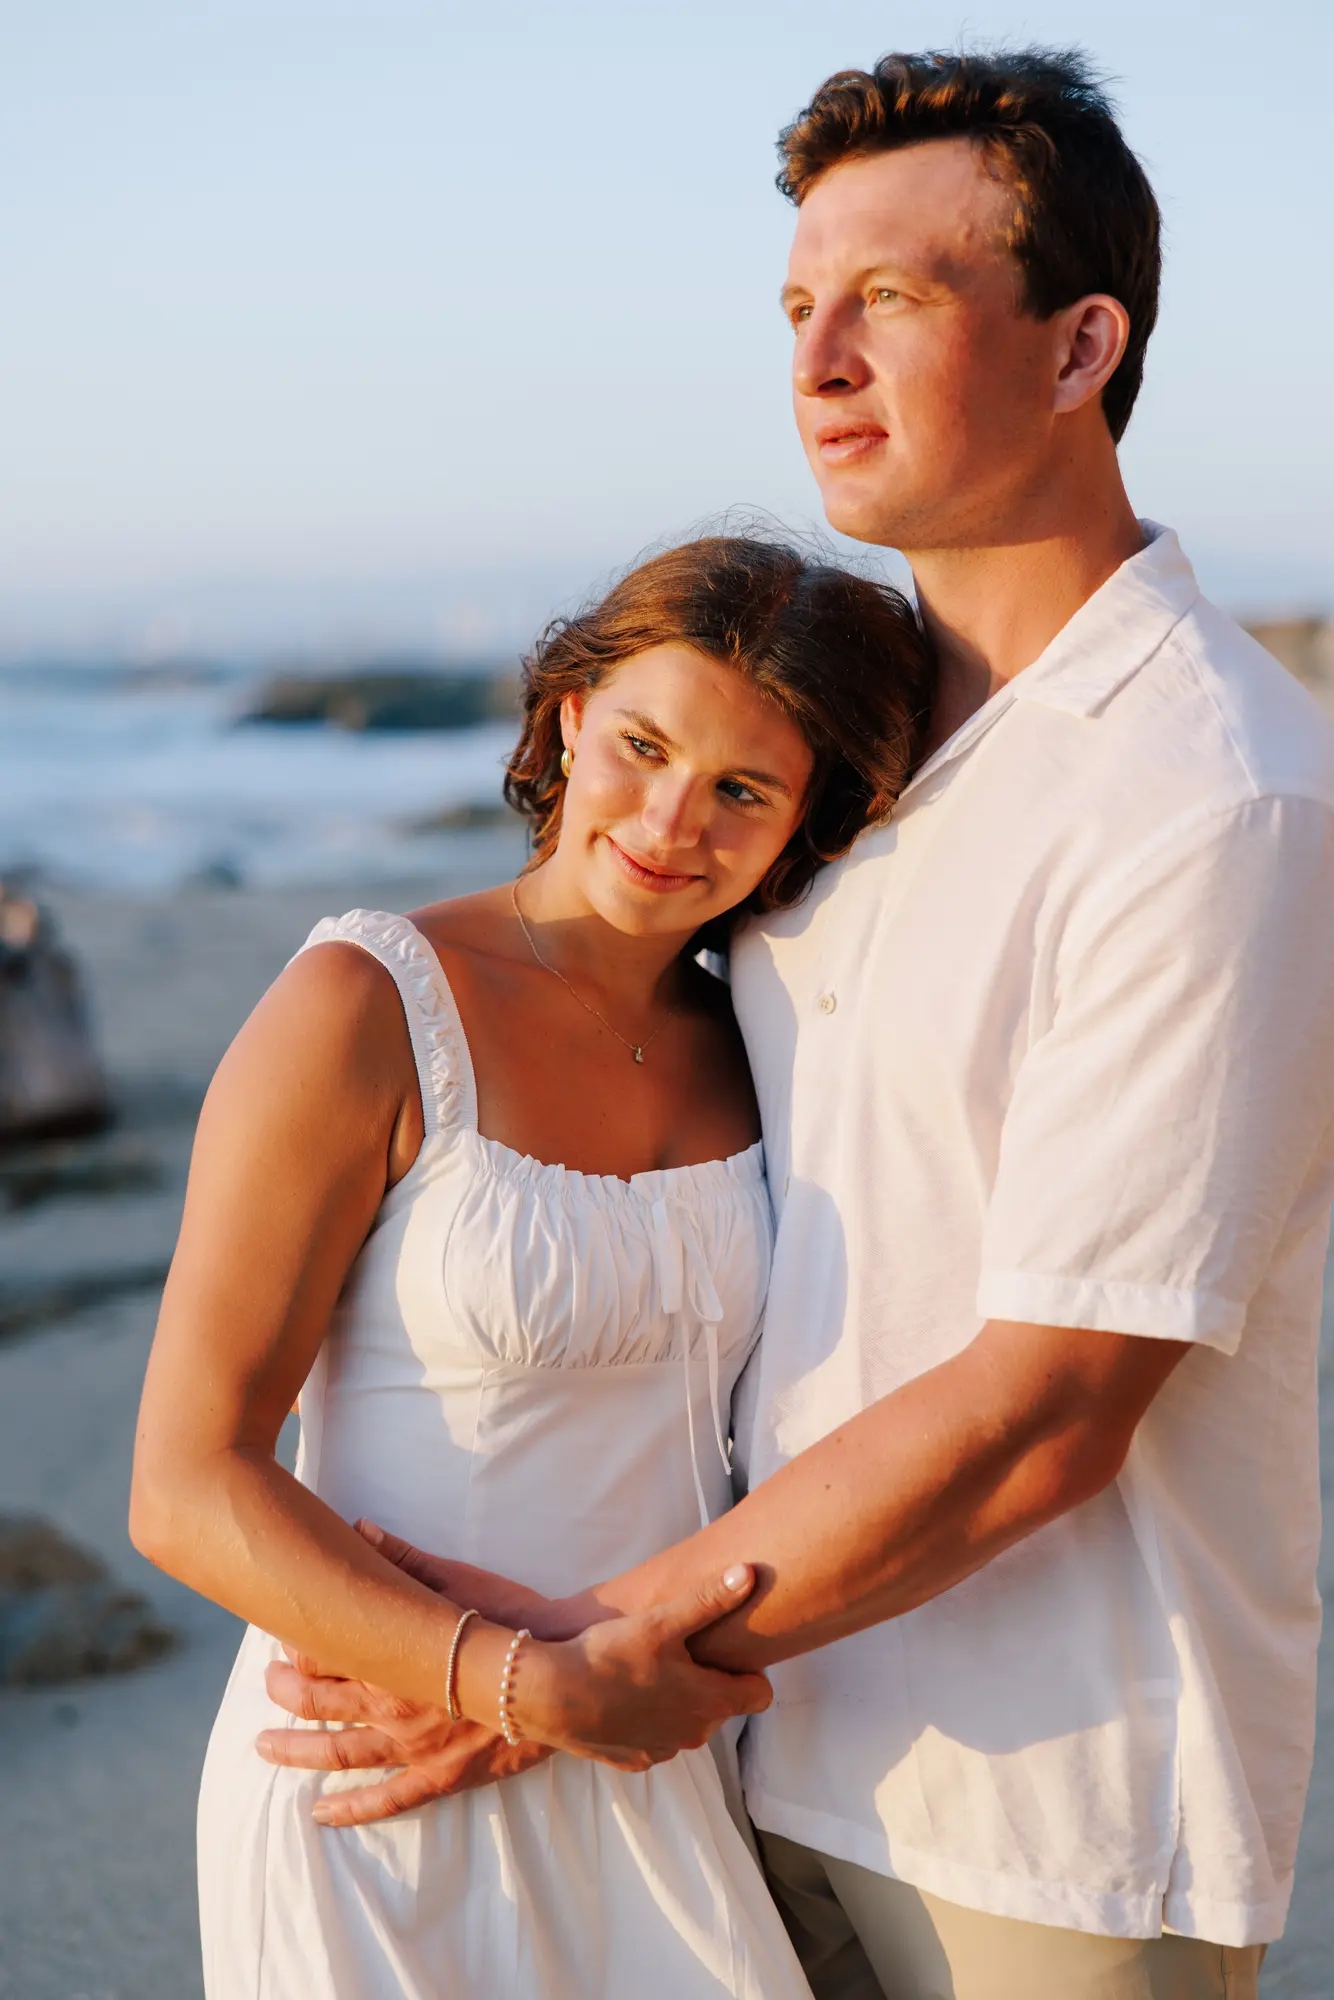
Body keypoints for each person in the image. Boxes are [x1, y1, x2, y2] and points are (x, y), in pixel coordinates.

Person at [257, 46, 1334, 2000]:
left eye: (894, 301)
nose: (817, 360)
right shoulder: (834, 761)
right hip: (749, 1766)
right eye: (796, 309)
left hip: (1045, 1814)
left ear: (1082, 344)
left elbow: (1051, 1411)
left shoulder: (1214, 794)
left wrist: (570, 1669)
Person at [128, 534, 934, 1998]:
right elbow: (184, 1484)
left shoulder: (763, 1042)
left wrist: (605, 1695)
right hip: (381, 1782)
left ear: (806, 819)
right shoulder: (360, 1005)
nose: (670, 820)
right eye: (640, 744)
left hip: (669, 1772)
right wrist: (519, 1685)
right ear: (566, 717)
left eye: (742, 789)